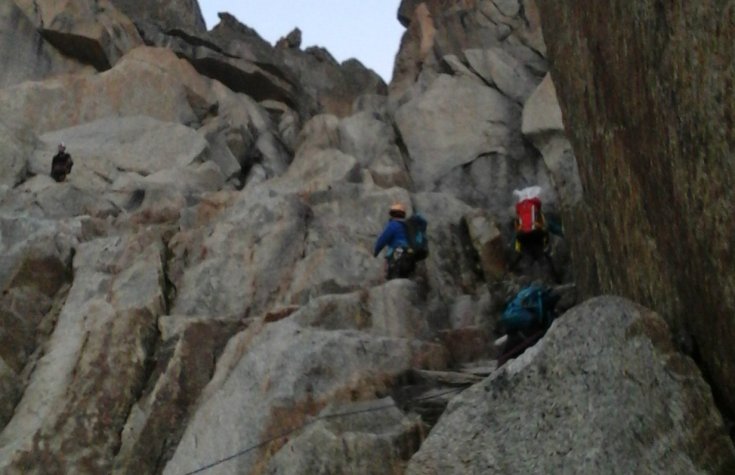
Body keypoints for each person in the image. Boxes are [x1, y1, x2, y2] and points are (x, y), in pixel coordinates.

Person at [373, 202, 415, 280]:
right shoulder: (408, 226)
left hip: (398, 250)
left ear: (392, 214)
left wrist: (375, 252)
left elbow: (383, 239)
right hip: (410, 253)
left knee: (391, 272)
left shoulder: (393, 225)